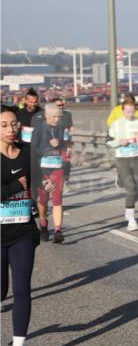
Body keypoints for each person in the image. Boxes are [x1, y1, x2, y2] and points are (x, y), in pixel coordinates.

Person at [2, 104, 45, 346]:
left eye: (13, 124)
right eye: (4, 125)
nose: (10, 129)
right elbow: (17, 185)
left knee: (21, 288)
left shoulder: (28, 153)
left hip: (23, 230)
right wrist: (14, 186)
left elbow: (39, 181)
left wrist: (45, 185)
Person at [31, 103, 71, 244]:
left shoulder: (61, 128)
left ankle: (58, 231)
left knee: (57, 199)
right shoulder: (38, 130)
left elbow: (66, 142)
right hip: (42, 169)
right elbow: (34, 150)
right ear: (46, 116)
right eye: (53, 117)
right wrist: (47, 147)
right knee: (43, 200)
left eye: (58, 117)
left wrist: (65, 147)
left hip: (57, 168)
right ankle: (43, 223)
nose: (56, 119)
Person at [106, 96, 138, 231]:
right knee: (131, 188)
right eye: (128, 111)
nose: (130, 114)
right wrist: (119, 142)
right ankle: (131, 220)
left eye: (132, 111)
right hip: (122, 158)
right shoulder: (117, 124)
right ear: (122, 111)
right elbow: (108, 142)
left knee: (137, 190)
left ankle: (128, 206)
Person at [54, 97, 73, 193]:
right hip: (55, 143)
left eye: (62, 105)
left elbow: (70, 126)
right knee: (58, 163)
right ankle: (61, 183)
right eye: (58, 105)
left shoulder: (67, 114)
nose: (61, 107)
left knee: (67, 162)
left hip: (66, 142)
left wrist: (72, 129)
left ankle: (66, 180)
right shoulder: (50, 116)